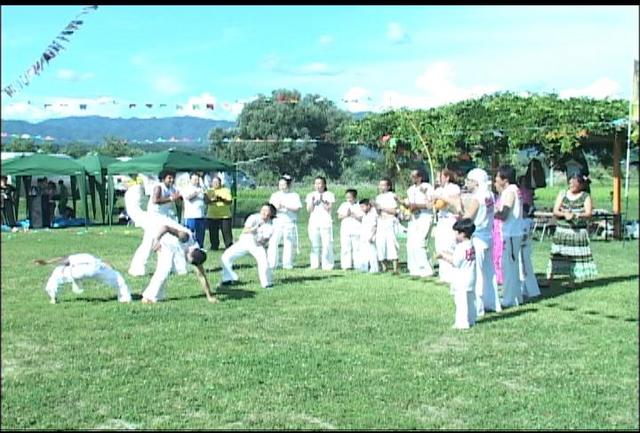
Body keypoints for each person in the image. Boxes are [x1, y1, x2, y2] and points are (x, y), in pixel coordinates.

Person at [141, 215, 218, 304]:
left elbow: (201, 276)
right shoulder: (185, 237)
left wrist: (209, 296)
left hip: (171, 245)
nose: (186, 259)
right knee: (164, 269)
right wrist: (157, 240)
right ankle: (148, 297)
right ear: (191, 250)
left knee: (166, 269)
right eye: (187, 257)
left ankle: (157, 295)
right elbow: (166, 228)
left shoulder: (196, 256)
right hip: (160, 232)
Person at [546, 171, 598, 287]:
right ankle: (549, 277)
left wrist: (576, 215)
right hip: (562, 230)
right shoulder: (563, 193)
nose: (571, 186)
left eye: (574, 184)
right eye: (570, 183)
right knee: (557, 254)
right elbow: (555, 210)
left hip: (577, 231)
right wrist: (565, 214)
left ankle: (572, 280)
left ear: (581, 184)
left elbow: (589, 213)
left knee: (574, 257)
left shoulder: (585, 196)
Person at [463, 168, 502, 316]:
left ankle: (478, 306)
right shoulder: (490, 195)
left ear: (476, 182)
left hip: (478, 237)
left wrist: (459, 209)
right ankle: (492, 303)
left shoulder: (477, 198)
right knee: (489, 273)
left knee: (477, 274)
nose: (468, 184)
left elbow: (468, 218)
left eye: (470, 181)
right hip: (488, 235)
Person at [128, 170, 181, 277]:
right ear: (163, 178)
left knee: (171, 242)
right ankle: (136, 269)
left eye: (172, 178)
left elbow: (177, 201)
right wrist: (171, 198)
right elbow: (155, 200)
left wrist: (178, 199)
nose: (171, 180)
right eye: (169, 178)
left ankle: (173, 267)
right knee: (148, 243)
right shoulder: (159, 187)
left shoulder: (173, 188)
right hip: (154, 218)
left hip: (165, 218)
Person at [34, 253, 132, 304]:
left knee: (56, 273)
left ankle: (53, 298)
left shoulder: (73, 258)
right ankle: (125, 298)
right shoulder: (95, 259)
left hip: (77, 271)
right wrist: (113, 272)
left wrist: (47, 262)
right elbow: (108, 264)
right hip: (96, 269)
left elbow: (63, 259)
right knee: (118, 278)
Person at [219, 203, 277, 289]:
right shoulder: (253, 217)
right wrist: (254, 229)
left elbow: (264, 241)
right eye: (262, 210)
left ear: (271, 214)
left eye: (266, 211)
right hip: (245, 240)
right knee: (226, 256)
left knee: (263, 261)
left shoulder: (270, 226)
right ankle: (227, 279)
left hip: (256, 245)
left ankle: (266, 283)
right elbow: (245, 230)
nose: (263, 212)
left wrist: (261, 241)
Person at [435, 218, 477, 330]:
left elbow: (455, 261)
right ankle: (471, 319)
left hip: (461, 279)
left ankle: (462, 323)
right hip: (471, 277)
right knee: (470, 300)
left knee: (461, 302)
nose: (455, 236)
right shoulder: (471, 245)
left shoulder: (461, 247)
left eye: (457, 233)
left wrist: (443, 256)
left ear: (463, 234)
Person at [494, 165, 524, 308]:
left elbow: (505, 214)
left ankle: (509, 299)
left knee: (508, 267)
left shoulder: (510, 192)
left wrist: (493, 213)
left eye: (498, 177)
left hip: (511, 233)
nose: (496, 179)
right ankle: (516, 296)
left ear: (504, 179)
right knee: (511, 266)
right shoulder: (514, 190)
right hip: (513, 233)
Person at [403, 169, 435, 278]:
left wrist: (417, 206)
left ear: (420, 177)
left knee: (420, 243)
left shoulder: (427, 187)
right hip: (414, 217)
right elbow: (409, 204)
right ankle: (414, 268)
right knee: (410, 243)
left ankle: (426, 269)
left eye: (414, 176)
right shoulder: (410, 189)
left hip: (425, 216)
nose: (412, 178)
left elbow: (431, 204)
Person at [433, 169, 462, 283]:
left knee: (449, 245)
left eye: (439, 177)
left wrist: (442, 197)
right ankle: (443, 274)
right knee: (439, 245)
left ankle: (452, 274)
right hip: (441, 219)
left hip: (450, 218)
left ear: (447, 177)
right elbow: (433, 204)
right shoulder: (439, 189)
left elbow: (455, 203)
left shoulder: (453, 188)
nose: (437, 179)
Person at [267, 174, 302, 270]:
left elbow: (297, 208)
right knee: (273, 242)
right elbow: (270, 209)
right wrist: (276, 208)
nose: (282, 187)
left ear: (288, 185)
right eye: (280, 185)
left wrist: (286, 206)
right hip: (277, 221)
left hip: (289, 222)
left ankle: (287, 264)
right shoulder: (275, 195)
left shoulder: (294, 195)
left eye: (284, 184)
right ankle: (272, 263)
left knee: (288, 243)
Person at [305, 176, 335, 270]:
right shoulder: (311, 195)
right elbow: (309, 210)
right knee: (315, 244)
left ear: (324, 184)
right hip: (314, 222)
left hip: (325, 221)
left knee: (326, 244)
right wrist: (313, 202)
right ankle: (315, 264)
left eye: (320, 183)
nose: (318, 186)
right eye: (316, 183)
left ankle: (327, 264)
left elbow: (329, 208)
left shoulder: (329, 194)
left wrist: (322, 201)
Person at [374, 177, 400, 273]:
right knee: (380, 244)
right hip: (381, 221)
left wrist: (382, 208)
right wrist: (376, 207)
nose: (381, 187)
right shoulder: (378, 197)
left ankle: (395, 268)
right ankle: (384, 267)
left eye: (383, 185)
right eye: (380, 185)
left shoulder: (392, 195)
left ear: (388, 186)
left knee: (392, 244)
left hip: (390, 221)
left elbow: (394, 211)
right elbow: (378, 211)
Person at [337, 189, 363, 270]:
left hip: (356, 229)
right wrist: (346, 215)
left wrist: (354, 215)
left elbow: (362, 218)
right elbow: (339, 216)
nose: (348, 199)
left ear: (354, 197)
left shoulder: (359, 205)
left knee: (357, 248)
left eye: (350, 197)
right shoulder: (344, 205)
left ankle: (358, 265)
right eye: (347, 197)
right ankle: (346, 265)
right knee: (345, 247)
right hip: (345, 229)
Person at [205, 175, 233, 251]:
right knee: (213, 232)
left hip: (225, 215)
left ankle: (229, 246)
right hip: (212, 215)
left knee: (226, 232)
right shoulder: (209, 191)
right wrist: (212, 200)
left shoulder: (226, 190)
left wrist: (221, 199)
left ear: (220, 183)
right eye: (214, 182)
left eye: (217, 182)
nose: (215, 184)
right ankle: (214, 246)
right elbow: (206, 201)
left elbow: (229, 201)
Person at [180, 172, 207, 248]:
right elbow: (188, 197)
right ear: (190, 179)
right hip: (190, 215)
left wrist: (205, 193)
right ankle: (188, 247)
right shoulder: (187, 188)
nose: (197, 181)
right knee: (189, 233)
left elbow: (206, 201)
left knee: (200, 233)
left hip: (201, 215)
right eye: (195, 179)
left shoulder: (201, 188)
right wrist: (196, 192)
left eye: (198, 179)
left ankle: (200, 247)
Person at [357, 198, 379, 273]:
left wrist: (372, 236)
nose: (362, 208)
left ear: (368, 206)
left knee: (372, 253)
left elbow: (375, 226)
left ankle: (374, 269)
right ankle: (364, 268)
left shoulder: (373, 214)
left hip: (370, 236)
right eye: (361, 207)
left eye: (363, 206)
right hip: (363, 236)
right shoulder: (364, 215)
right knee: (364, 253)